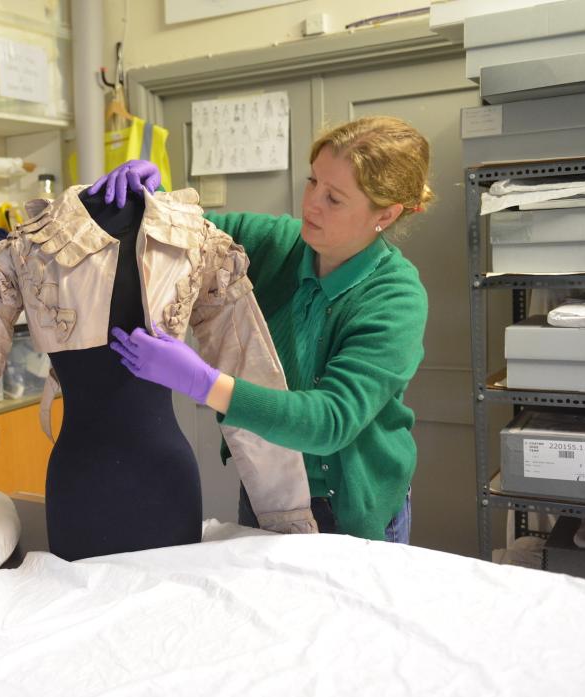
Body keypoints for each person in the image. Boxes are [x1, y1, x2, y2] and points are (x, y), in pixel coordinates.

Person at [99, 116, 432, 544]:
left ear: (385, 214)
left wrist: (201, 382)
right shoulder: (281, 243)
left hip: (351, 505)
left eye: (334, 198)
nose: (311, 204)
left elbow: (329, 422)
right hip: (267, 486)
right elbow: (189, 235)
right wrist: (154, 195)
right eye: (313, 182)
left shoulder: (396, 298)